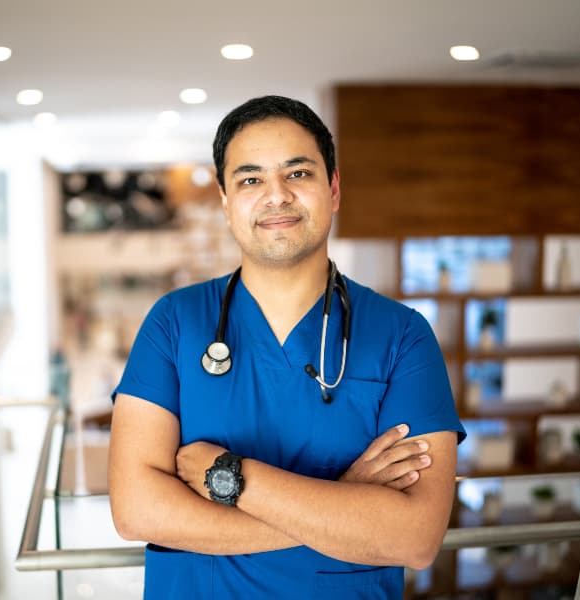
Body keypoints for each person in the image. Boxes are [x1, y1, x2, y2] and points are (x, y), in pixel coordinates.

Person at [108, 95, 466, 599]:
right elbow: (136, 509)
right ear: (226, 199)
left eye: (298, 174)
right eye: (250, 179)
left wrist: (230, 479)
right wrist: (344, 504)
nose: (276, 196)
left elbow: (415, 537)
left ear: (334, 188)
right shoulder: (174, 322)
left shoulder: (402, 336)